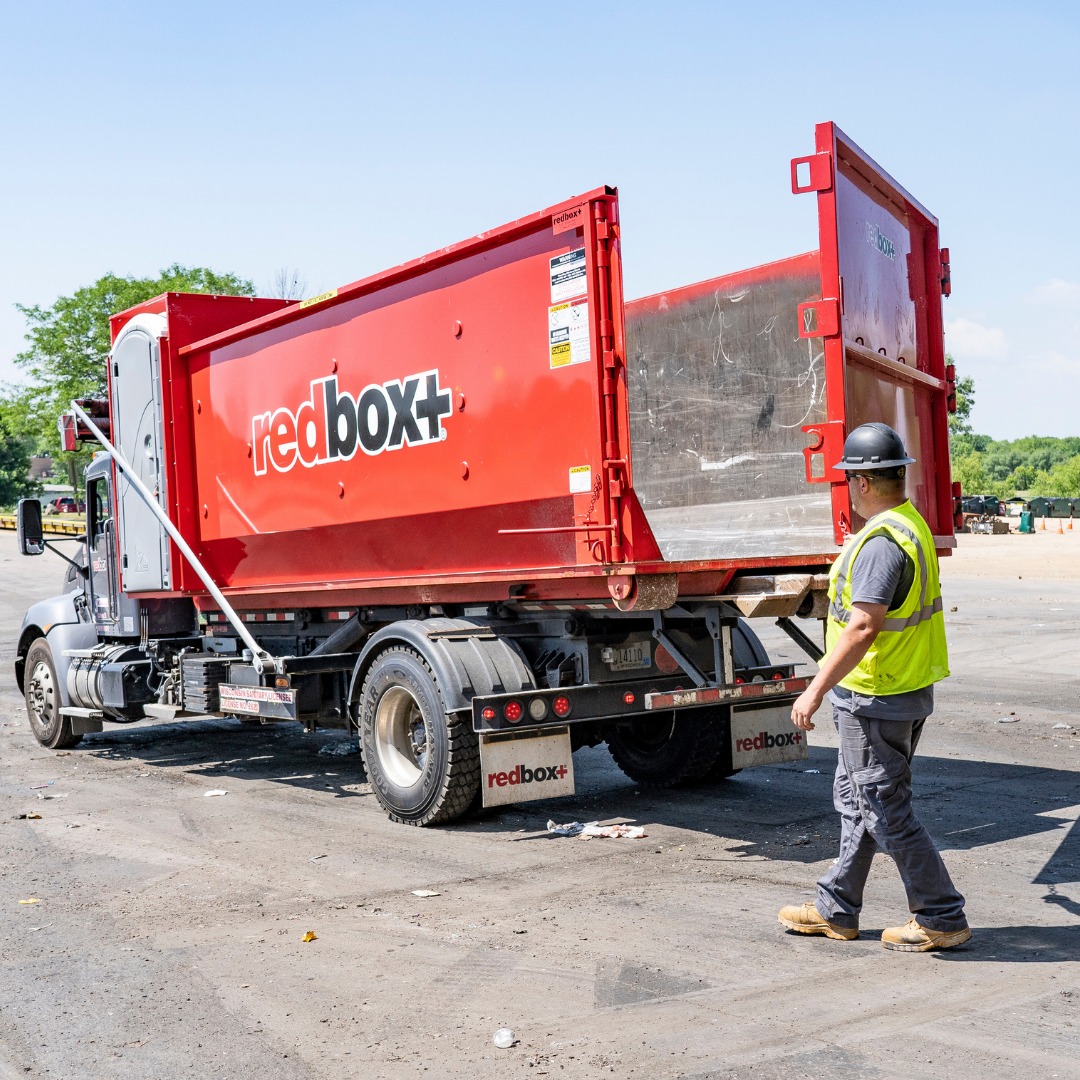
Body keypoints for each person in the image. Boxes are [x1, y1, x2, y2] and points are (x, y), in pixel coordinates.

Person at [777, 422, 970, 952]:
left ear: (862, 482)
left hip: (876, 696)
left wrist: (814, 689)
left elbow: (863, 625)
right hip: (897, 688)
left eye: (847, 480)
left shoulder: (883, 543)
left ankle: (941, 915)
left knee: (884, 809)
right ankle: (836, 908)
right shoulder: (910, 525)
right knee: (858, 802)